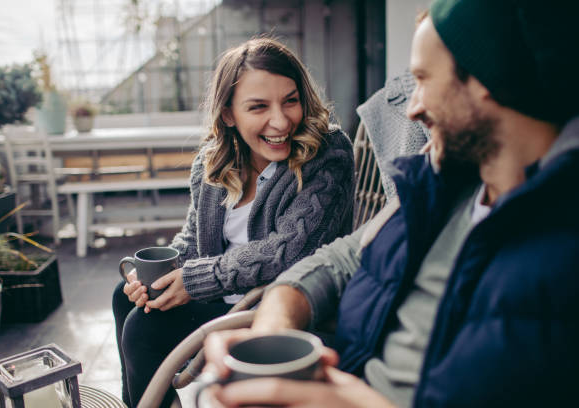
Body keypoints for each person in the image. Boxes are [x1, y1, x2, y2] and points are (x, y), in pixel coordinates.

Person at [203, 1, 579, 407]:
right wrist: (276, 325)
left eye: (423, 79)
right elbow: (341, 259)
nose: (413, 109)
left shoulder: (560, 254)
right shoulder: (442, 188)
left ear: (485, 81)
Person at [112, 37, 355, 407]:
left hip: (275, 306)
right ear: (229, 114)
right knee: (126, 298)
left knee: (142, 328)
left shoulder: (327, 154)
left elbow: (288, 253)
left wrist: (196, 281)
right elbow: (193, 238)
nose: (281, 120)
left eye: (291, 100)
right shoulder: (213, 162)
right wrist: (160, 274)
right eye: (258, 107)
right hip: (225, 297)